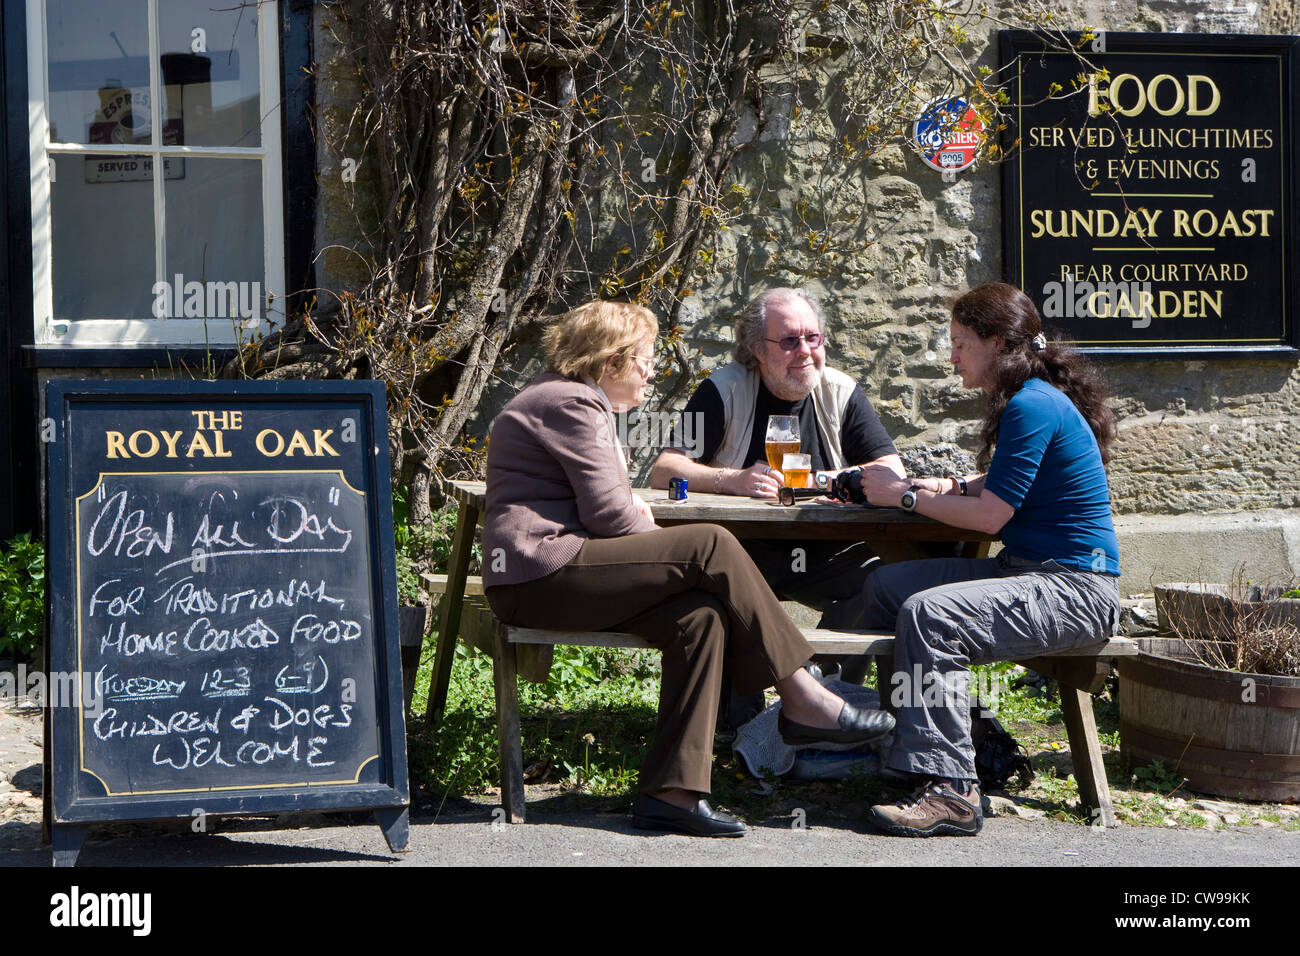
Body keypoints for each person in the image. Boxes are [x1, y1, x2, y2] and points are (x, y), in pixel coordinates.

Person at [481, 299, 895, 838]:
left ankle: (671, 794)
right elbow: (611, 514)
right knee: (710, 546)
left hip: (557, 573)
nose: (652, 370)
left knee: (699, 618)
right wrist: (655, 533)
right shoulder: (571, 402)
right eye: (645, 359)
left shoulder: (572, 399)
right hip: (541, 574)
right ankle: (802, 695)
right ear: (611, 361)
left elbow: (609, 508)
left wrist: (648, 529)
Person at [857, 281, 1121, 838]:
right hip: (1030, 574)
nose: (950, 357)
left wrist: (902, 496)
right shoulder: (1034, 397)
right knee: (886, 586)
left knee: (933, 615)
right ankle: (851, 728)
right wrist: (948, 483)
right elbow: (1002, 482)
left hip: (1075, 590)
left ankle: (952, 788)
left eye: (959, 343)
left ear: (997, 342)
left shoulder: (1031, 403)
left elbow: (990, 518)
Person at [650, 288, 905, 622]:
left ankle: (831, 673)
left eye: (813, 338)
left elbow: (891, 469)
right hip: (743, 551)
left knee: (885, 590)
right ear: (758, 349)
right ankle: (763, 674)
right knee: (710, 610)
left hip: (827, 551)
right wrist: (730, 480)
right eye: (789, 342)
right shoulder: (723, 389)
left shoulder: (840, 390)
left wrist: (820, 481)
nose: (805, 352)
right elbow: (664, 470)